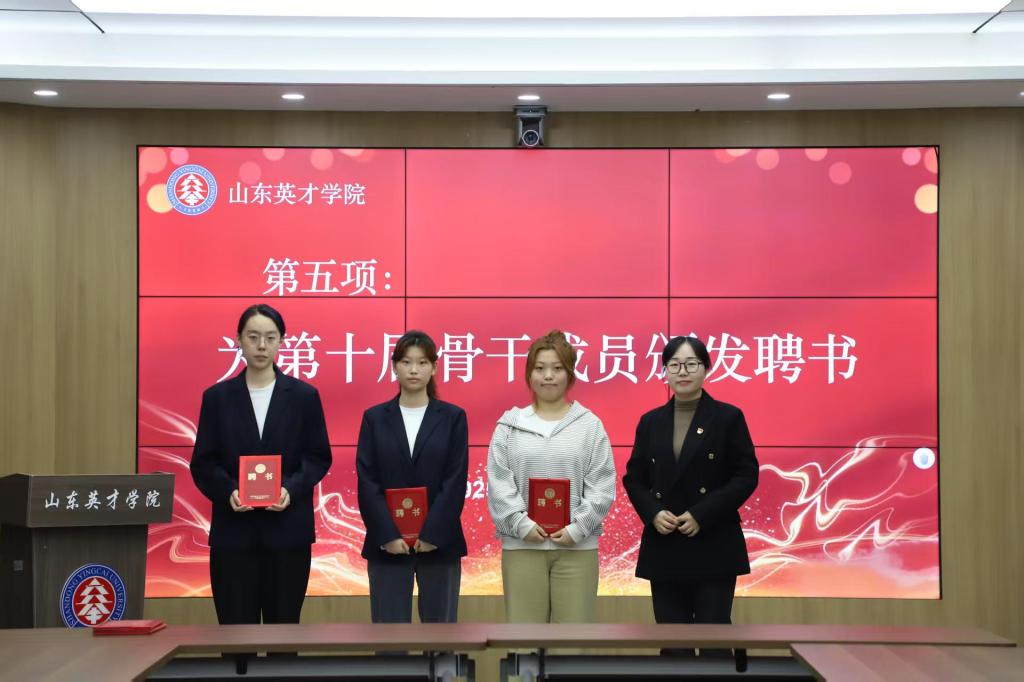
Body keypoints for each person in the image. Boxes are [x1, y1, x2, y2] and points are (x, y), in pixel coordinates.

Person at [190, 303, 332, 627]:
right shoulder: (217, 398)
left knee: (284, 631)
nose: (261, 346)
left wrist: (290, 489)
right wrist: (228, 491)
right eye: (253, 337)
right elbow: (203, 462)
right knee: (236, 633)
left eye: (270, 337)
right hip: (233, 536)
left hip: (288, 534)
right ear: (238, 339)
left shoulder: (304, 396)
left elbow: (318, 457)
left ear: (282, 341)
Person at [623, 335, 758, 657]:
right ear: (665, 371)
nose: (683, 372)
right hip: (665, 542)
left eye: (691, 364)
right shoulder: (650, 421)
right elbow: (634, 479)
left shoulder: (728, 417)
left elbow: (746, 475)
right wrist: (653, 512)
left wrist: (702, 513)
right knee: (674, 644)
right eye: (674, 365)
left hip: (713, 541)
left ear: (706, 368)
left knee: (714, 641)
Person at [487, 330, 616, 623]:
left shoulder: (590, 426)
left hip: (577, 548)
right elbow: (499, 483)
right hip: (522, 546)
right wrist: (521, 525)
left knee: (574, 638)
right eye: (539, 368)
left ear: (570, 373)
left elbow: (602, 485)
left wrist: (577, 529)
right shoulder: (509, 425)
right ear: (529, 374)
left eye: (557, 368)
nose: (548, 376)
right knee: (523, 638)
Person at [356, 330, 469, 623]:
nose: (414, 370)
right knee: (390, 636)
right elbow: (367, 481)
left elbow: (455, 481)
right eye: (406, 362)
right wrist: (388, 535)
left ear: (434, 367)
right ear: (395, 366)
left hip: (439, 543)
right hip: (388, 545)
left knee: (441, 636)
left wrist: (432, 534)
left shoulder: (453, 417)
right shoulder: (374, 418)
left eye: (422, 362)